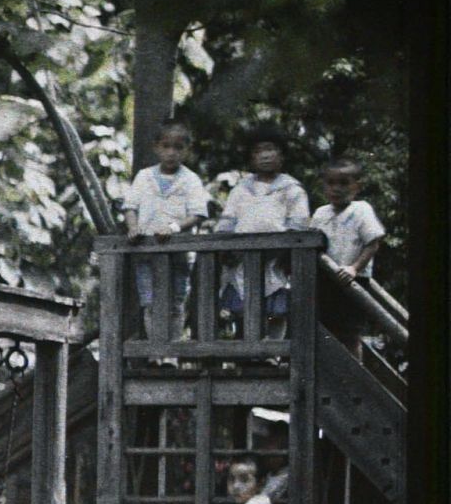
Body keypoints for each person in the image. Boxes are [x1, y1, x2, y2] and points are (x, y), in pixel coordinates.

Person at [215, 125, 311, 336]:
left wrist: (288, 252)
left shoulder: (291, 189)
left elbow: (299, 224)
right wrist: (224, 246)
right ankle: (248, 354)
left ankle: (273, 351)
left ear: (282, 155)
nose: (265, 155)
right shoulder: (241, 190)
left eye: (271, 149)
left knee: (275, 308)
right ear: (251, 158)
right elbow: (228, 221)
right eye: (258, 151)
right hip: (243, 259)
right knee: (243, 305)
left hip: (277, 259)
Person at [122, 119, 211, 325]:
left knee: (176, 300)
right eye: (166, 146)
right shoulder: (144, 177)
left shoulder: (190, 180)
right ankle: (156, 352)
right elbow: (130, 207)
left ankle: (171, 352)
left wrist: (174, 227)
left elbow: (198, 213)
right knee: (150, 300)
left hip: (179, 252)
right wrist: (133, 228)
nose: (171, 153)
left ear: (187, 150)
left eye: (178, 148)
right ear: (156, 148)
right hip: (147, 251)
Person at [311, 158, 387, 356]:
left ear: (357, 186)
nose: (337, 189)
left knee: (350, 332)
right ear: (324, 186)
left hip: (353, 281)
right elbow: (312, 245)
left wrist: (354, 267)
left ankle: (355, 373)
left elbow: (373, 243)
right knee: (324, 329)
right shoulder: (321, 213)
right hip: (326, 281)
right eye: (331, 183)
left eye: (344, 183)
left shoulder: (361, 210)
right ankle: (329, 378)